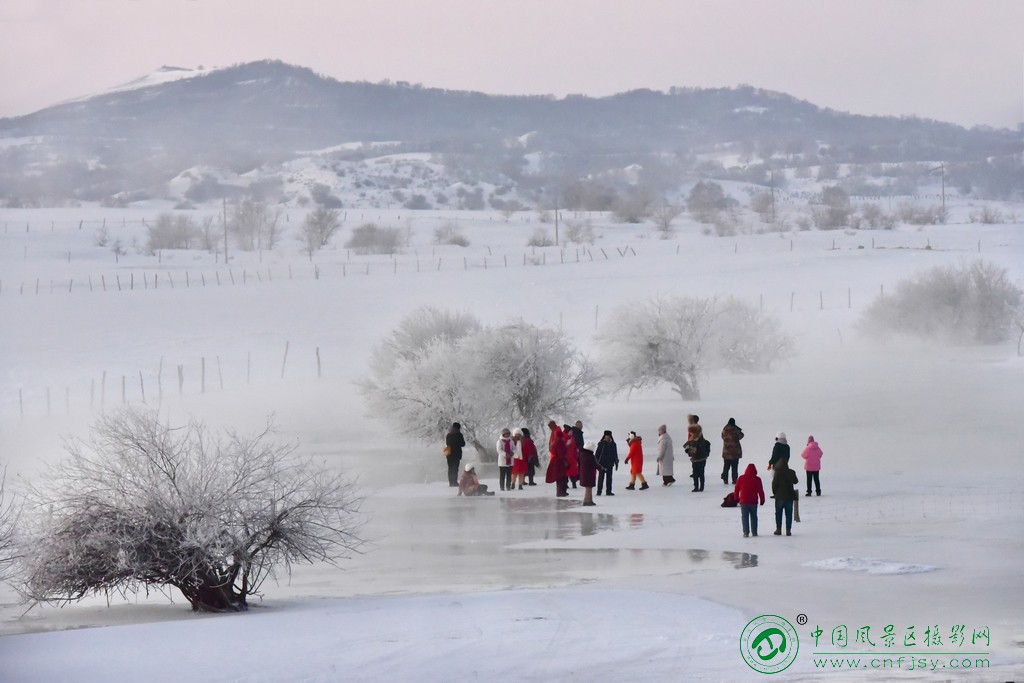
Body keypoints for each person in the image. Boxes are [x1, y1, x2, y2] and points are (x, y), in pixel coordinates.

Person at [734, 463, 765, 537]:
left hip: (743, 501)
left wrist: (736, 498)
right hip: (753, 501)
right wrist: (762, 499)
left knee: (745, 517)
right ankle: (754, 532)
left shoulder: (741, 478)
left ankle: (746, 532)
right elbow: (760, 490)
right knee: (754, 517)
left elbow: (736, 489)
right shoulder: (757, 479)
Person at [771, 459, 799, 536]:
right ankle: (788, 530)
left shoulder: (777, 473)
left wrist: (775, 493)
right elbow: (796, 481)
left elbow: (774, 485)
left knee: (778, 514)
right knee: (789, 514)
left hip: (779, 497)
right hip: (789, 496)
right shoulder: (791, 472)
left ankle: (778, 529)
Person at [684, 414, 708, 492]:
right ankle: (698, 487)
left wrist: (689, 450)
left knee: (698, 473)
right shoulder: (697, 438)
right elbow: (688, 445)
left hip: (699, 458)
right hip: (697, 458)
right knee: (698, 473)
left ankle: (699, 487)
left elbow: (694, 448)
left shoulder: (698, 440)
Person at [545, 421, 569, 497]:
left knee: (559, 477)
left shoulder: (555, 441)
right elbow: (561, 453)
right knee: (562, 477)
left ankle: (560, 492)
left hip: (555, 460)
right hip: (559, 461)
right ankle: (561, 492)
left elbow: (552, 448)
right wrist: (565, 461)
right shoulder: (560, 442)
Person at [721, 418, 744, 485]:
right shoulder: (735, 430)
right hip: (735, 452)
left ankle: (725, 478)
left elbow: (722, 437)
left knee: (726, 466)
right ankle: (734, 480)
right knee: (734, 467)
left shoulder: (724, 429)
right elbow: (741, 436)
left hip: (726, 451)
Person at [595, 430, 618, 496]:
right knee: (601, 479)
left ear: (610, 436)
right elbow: (597, 454)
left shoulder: (613, 444)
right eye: (606, 436)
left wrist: (616, 462)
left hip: (610, 464)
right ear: (604, 436)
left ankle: (609, 491)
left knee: (609, 479)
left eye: (608, 436)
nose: (607, 437)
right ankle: (599, 491)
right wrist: (597, 463)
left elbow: (615, 454)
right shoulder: (601, 444)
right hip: (602, 464)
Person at [445, 422, 465, 487]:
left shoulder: (448, 435)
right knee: (455, 468)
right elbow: (463, 444)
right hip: (456, 454)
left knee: (450, 468)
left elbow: (447, 444)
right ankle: (454, 482)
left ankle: (451, 482)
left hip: (449, 454)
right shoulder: (459, 435)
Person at [579, 441, 598, 506]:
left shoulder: (582, 454)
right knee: (588, 488)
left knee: (588, 488)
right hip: (589, 475)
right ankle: (587, 501)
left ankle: (589, 500)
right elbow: (595, 464)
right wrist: (601, 468)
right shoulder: (590, 456)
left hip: (584, 474)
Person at [563, 424, 580, 489]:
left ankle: (574, 483)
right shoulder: (564, 438)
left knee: (573, 472)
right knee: (566, 472)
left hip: (572, 458)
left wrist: (576, 453)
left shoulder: (571, 438)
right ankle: (566, 484)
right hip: (567, 458)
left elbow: (575, 447)